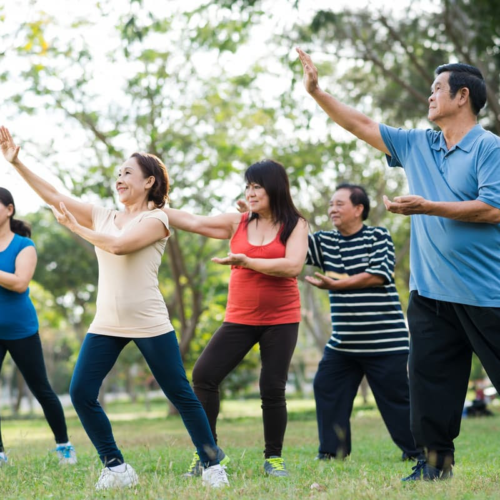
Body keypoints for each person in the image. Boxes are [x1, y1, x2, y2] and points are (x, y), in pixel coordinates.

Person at [297, 48, 500, 481]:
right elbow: (362, 124)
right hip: (430, 294)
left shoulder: (489, 147)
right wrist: (317, 92)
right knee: (427, 385)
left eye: (436, 89)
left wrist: (427, 206)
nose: (430, 96)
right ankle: (434, 467)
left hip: (487, 293)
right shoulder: (417, 144)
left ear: (462, 96)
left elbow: (492, 209)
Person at [0, 126, 229, 490]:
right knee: (80, 392)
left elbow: (120, 246)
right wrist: (18, 163)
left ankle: (213, 463)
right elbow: (54, 196)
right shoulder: (102, 214)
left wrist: (77, 228)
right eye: (118, 173)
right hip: (106, 322)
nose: (119, 178)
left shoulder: (157, 219)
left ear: (149, 182)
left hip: (149, 322)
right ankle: (117, 467)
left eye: (127, 173)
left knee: (180, 394)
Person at [163, 159, 308, 477]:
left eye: (257, 186)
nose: (251, 192)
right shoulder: (238, 222)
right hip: (240, 319)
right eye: (248, 186)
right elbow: (192, 221)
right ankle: (208, 453)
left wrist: (247, 261)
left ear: (275, 188)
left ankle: (273, 459)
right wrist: (153, 206)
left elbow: (293, 266)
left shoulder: (295, 224)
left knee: (272, 387)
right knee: (203, 376)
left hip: (281, 318)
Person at [305, 183, 421, 461]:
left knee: (397, 401)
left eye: (339, 204)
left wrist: (336, 285)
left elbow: (378, 274)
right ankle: (333, 452)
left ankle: (418, 451)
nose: (332, 209)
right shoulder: (324, 242)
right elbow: (291, 249)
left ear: (359, 209)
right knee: (326, 386)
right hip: (344, 344)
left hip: (386, 342)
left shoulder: (378, 236)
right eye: (331, 204)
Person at [0, 187, 77, 467]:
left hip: (21, 329)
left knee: (41, 389)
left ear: (9, 209)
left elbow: (20, 283)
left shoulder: (24, 245)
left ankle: (64, 446)